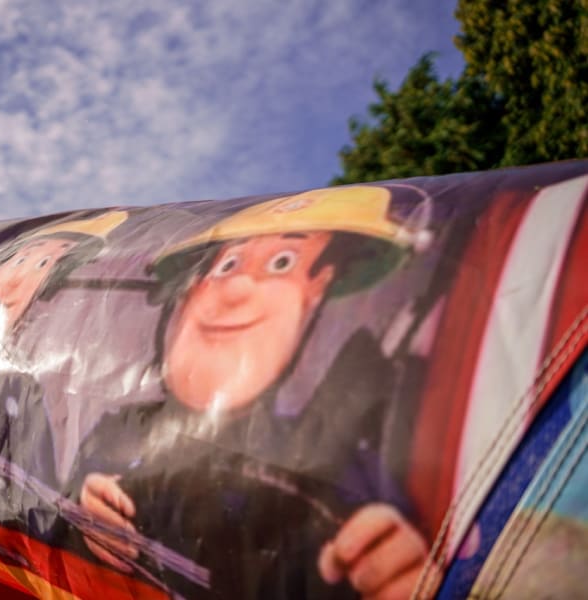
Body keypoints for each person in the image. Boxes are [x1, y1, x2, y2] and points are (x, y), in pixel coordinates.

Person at [68, 186, 433, 599]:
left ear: (318, 289)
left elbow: (391, 540)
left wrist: (397, 566)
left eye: (281, 263)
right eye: (226, 265)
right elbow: (52, 508)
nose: (236, 289)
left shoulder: (335, 462)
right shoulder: (118, 430)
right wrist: (82, 507)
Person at [0, 211, 128, 536]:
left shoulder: (25, 390)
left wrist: (83, 500)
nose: (14, 282)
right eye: (18, 261)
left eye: (41, 267)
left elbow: (41, 493)